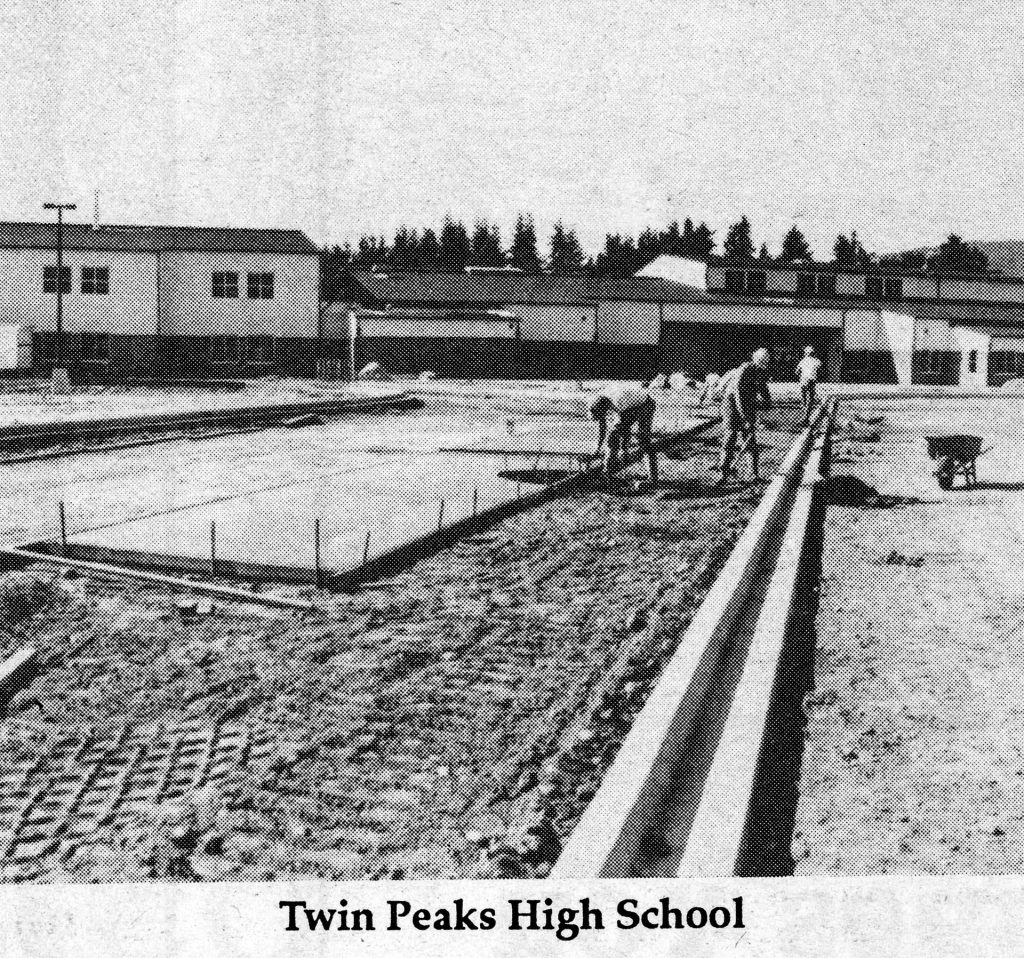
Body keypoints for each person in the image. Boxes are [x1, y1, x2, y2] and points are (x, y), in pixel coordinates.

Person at [716, 348, 772, 485]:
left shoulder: (761, 371)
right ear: (755, 360)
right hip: (731, 405)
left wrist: (767, 402)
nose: (763, 366)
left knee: (750, 437)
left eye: (765, 363)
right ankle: (723, 472)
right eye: (761, 362)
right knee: (730, 436)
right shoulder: (745, 369)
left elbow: (763, 387)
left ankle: (753, 474)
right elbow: (738, 395)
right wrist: (745, 418)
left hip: (747, 403)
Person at [588, 383, 659, 485]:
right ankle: (608, 472)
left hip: (646, 404)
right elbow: (602, 425)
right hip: (632, 401)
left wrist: (625, 450)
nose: (603, 418)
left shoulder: (618, 402)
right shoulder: (598, 400)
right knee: (613, 437)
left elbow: (625, 429)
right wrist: (598, 448)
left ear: (604, 408)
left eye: (602, 415)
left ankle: (653, 479)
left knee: (644, 441)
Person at [795, 345, 822, 425]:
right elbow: (820, 370)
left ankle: (805, 415)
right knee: (810, 399)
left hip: (803, 380)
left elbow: (797, 371)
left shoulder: (803, 361)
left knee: (804, 398)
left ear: (805, 353)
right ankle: (807, 416)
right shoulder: (817, 361)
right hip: (811, 380)